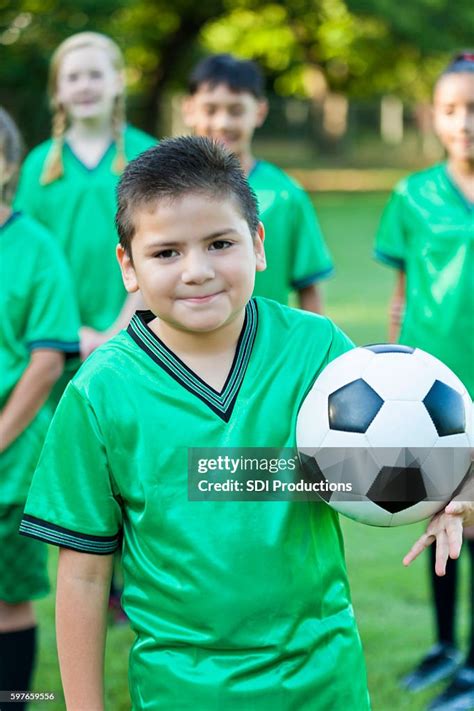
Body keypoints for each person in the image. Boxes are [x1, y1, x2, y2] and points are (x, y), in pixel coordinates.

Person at [20, 136, 474, 710]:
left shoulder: (318, 351)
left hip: (324, 681)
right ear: (127, 266)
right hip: (182, 690)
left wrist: (456, 488)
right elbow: (84, 576)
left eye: (219, 243)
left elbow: (417, 433)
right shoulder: (101, 390)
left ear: (258, 244)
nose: (197, 270)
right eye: (166, 253)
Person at [375, 51, 474, 711]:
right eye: (452, 110)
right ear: (433, 118)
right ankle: (446, 646)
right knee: (440, 517)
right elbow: (400, 297)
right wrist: (393, 370)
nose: (465, 122)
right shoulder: (411, 194)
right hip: (430, 394)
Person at [0, 108, 80, 708]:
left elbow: (47, 359)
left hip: (9, 462)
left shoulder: (34, 248)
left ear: (5, 165)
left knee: (6, 600)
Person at [14, 31, 156, 362]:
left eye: (95, 74)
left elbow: (165, 250)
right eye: (73, 77)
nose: (84, 85)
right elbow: (28, 258)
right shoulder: (38, 165)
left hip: (140, 338)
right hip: (53, 338)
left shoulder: (150, 155)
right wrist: (66, 331)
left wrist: (121, 330)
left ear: (118, 82)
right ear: (58, 91)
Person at [183, 53, 334, 313]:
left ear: (260, 111)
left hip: (269, 348)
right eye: (210, 110)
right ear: (189, 110)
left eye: (236, 110)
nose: (223, 122)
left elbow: (308, 286)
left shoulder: (286, 195)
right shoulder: (166, 194)